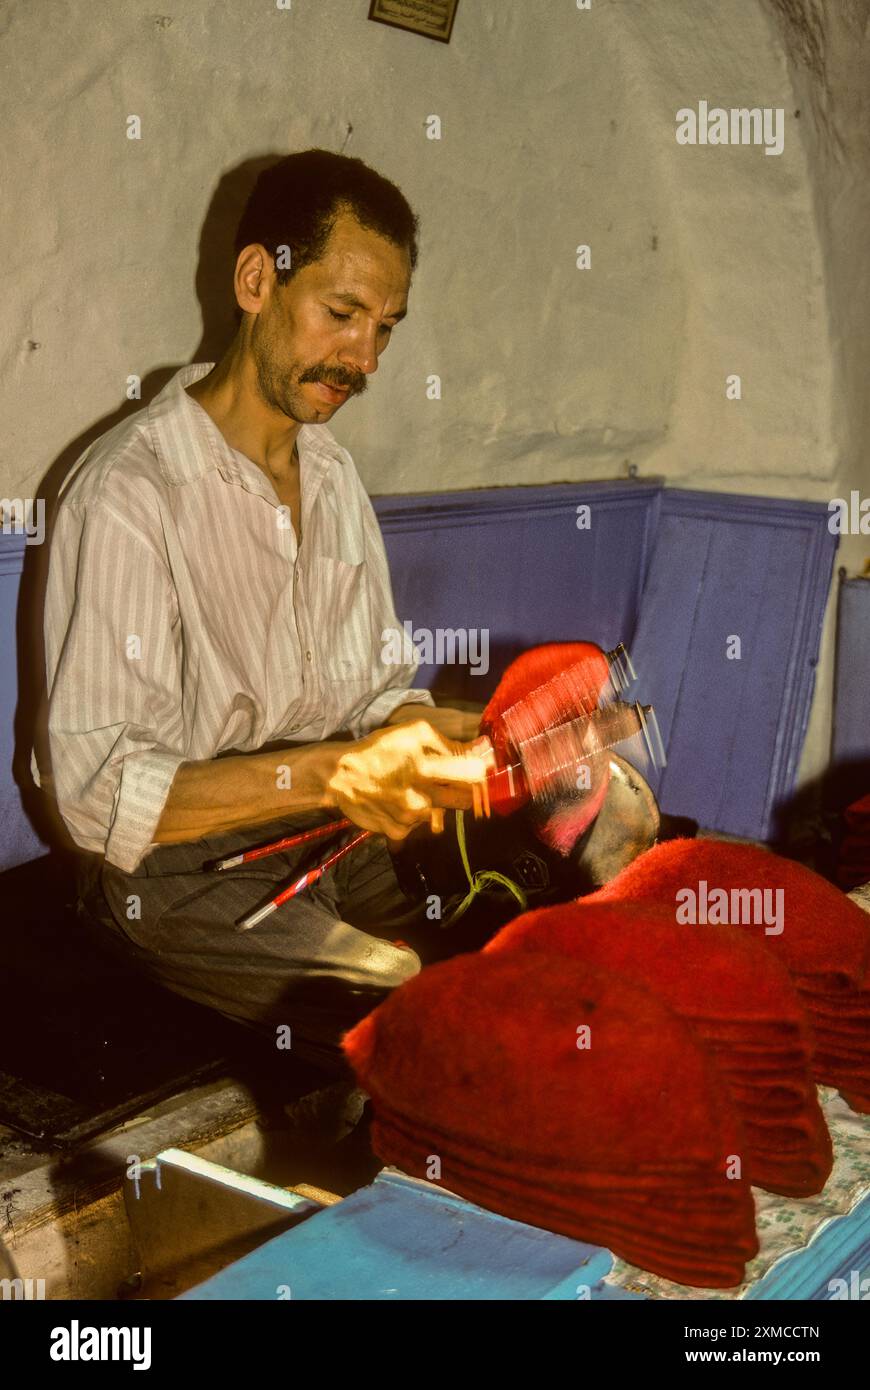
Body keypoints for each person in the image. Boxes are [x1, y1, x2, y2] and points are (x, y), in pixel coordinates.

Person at [33, 149, 491, 1072]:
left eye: (387, 329)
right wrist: (335, 773)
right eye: (343, 314)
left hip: (321, 833)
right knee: (412, 1006)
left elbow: (371, 697)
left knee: (528, 919)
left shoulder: (332, 477)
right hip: (165, 870)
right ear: (257, 280)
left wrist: (441, 732)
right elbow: (94, 799)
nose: (363, 358)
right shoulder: (132, 490)